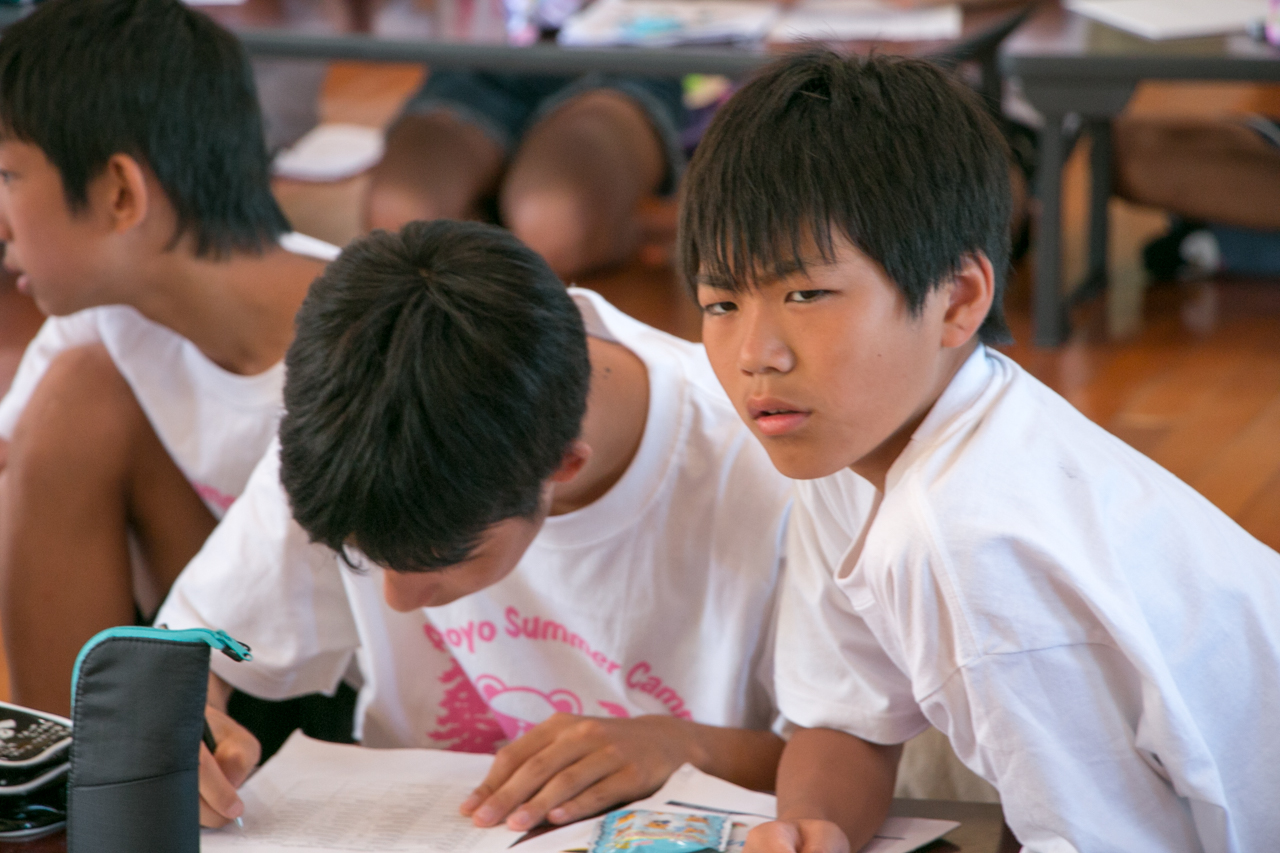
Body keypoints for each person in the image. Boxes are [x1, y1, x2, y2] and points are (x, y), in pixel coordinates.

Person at [680, 51, 1280, 852]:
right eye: (721, 302)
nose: (757, 353)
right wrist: (806, 832)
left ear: (958, 298)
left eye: (806, 294)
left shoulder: (964, 530)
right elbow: (846, 718)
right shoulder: (845, 441)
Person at [156, 220, 792, 829]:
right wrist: (185, 725)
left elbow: (863, 756)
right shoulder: (361, 420)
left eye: (443, 557)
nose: (397, 598)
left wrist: (686, 750)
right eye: (363, 558)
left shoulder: (774, 473)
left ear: (563, 465)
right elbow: (191, 649)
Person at [0, 0, 337, 715]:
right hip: (224, 670)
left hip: (362, 701)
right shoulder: (108, 313)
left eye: (6, 176)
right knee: (76, 393)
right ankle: (68, 784)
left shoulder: (372, 343)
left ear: (121, 194)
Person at [363, 70, 685, 279]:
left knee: (556, 224)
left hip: (616, 54)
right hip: (479, 57)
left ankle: (642, 219)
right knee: (403, 225)